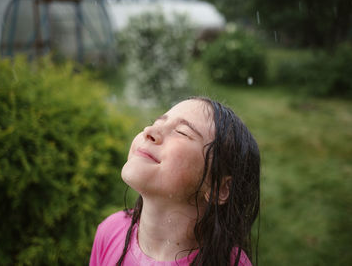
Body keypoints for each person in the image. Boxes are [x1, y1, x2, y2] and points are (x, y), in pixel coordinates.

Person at [89, 96, 261, 266]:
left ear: (219, 189)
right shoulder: (111, 231)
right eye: (156, 123)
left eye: (182, 132)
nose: (149, 131)